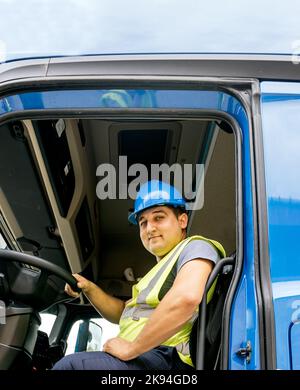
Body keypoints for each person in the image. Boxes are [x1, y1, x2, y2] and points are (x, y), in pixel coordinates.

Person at [53, 180, 225, 370]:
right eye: (143, 223)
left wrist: (132, 348)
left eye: (159, 218)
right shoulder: (157, 272)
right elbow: (121, 313)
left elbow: (186, 298)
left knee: (70, 368)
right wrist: (89, 288)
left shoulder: (196, 246)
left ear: (182, 220)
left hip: (166, 359)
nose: (150, 228)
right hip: (147, 357)